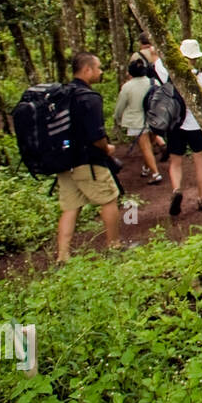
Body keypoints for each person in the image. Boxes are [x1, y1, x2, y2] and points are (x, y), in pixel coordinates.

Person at [56, 52, 122, 262]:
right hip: (90, 161)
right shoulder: (89, 98)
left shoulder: (63, 94)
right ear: (87, 70)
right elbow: (96, 135)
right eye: (98, 67)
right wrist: (107, 148)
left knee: (70, 208)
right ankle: (114, 246)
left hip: (66, 162)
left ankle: (62, 256)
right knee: (110, 199)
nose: (101, 72)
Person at [167, 38, 202, 216]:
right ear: (195, 57)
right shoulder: (200, 76)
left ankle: (176, 191)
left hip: (174, 125)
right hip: (194, 125)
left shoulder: (171, 75)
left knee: (175, 162)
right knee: (199, 161)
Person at [114, 55, 163, 184]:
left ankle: (155, 174)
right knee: (149, 146)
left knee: (146, 148)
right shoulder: (154, 82)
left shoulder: (127, 87)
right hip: (154, 119)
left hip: (137, 122)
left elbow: (120, 106)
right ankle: (147, 167)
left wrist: (118, 119)